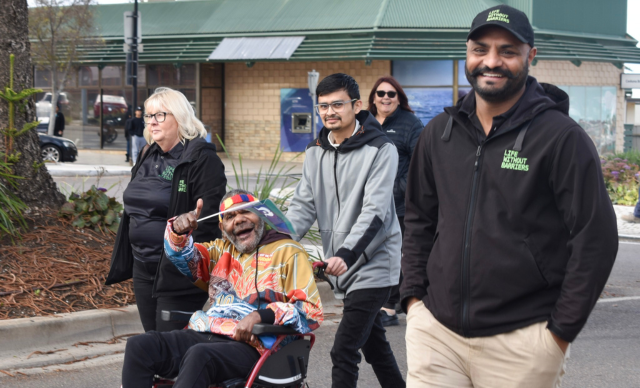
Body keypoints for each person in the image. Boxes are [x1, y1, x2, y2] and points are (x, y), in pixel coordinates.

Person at [400, 5, 619, 388]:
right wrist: (414, 301)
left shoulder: (561, 138)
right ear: (466, 52)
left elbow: (594, 239)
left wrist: (558, 334)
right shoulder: (440, 132)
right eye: (480, 49)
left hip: (522, 341)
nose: (492, 61)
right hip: (436, 334)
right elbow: (419, 218)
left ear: (530, 56)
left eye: (507, 51)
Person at [121, 189, 323, 388]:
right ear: (222, 227)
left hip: (257, 346)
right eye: (230, 216)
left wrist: (261, 316)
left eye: (246, 211)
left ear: (261, 215)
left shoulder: (288, 251)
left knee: (200, 356)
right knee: (139, 346)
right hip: (207, 331)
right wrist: (178, 232)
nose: (238, 219)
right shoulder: (220, 251)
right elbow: (181, 256)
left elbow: (311, 311)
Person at [287, 73, 405, 388]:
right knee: (376, 349)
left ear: (355, 106)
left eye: (337, 104)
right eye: (323, 106)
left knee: (343, 350)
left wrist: (346, 253)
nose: (329, 112)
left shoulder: (381, 149)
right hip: (341, 264)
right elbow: (302, 205)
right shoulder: (316, 151)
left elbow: (375, 211)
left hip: (375, 262)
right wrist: (277, 239)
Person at [106, 87, 227, 333]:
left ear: (180, 117)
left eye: (160, 115)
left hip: (178, 271)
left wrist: (191, 223)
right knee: (153, 343)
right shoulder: (147, 154)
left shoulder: (202, 159)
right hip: (143, 265)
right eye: (149, 116)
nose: (152, 122)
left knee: (170, 345)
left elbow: (210, 216)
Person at [367, 76, 423, 326]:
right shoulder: (364, 122)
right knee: (374, 251)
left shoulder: (410, 124)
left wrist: (400, 188)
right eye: (381, 93)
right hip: (368, 200)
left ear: (399, 98)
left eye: (392, 94)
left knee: (395, 254)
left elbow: (420, 162)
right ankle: (376, 302)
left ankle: (390, 307)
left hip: (399, 203)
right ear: (373, 98)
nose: (386, 98)